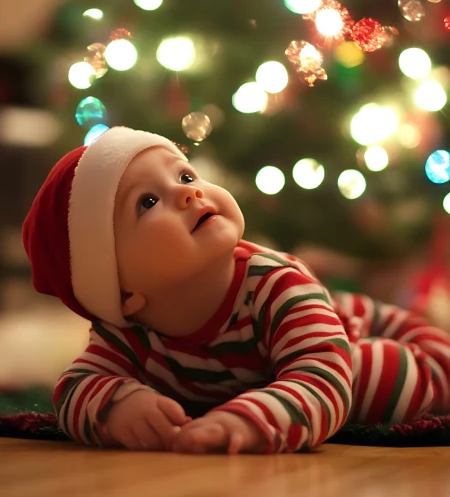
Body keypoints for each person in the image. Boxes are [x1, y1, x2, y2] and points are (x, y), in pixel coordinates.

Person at [22, 126, 450, 454]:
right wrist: (118, 407)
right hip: (305, 335)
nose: (188, 193)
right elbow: (73, 388)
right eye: (147, 202)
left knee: (368, 379)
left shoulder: (277, 285)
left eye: (185, 175)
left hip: (364, 330)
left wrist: (248, 421)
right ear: (122, 293)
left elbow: (321, 376)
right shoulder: (124, 330)